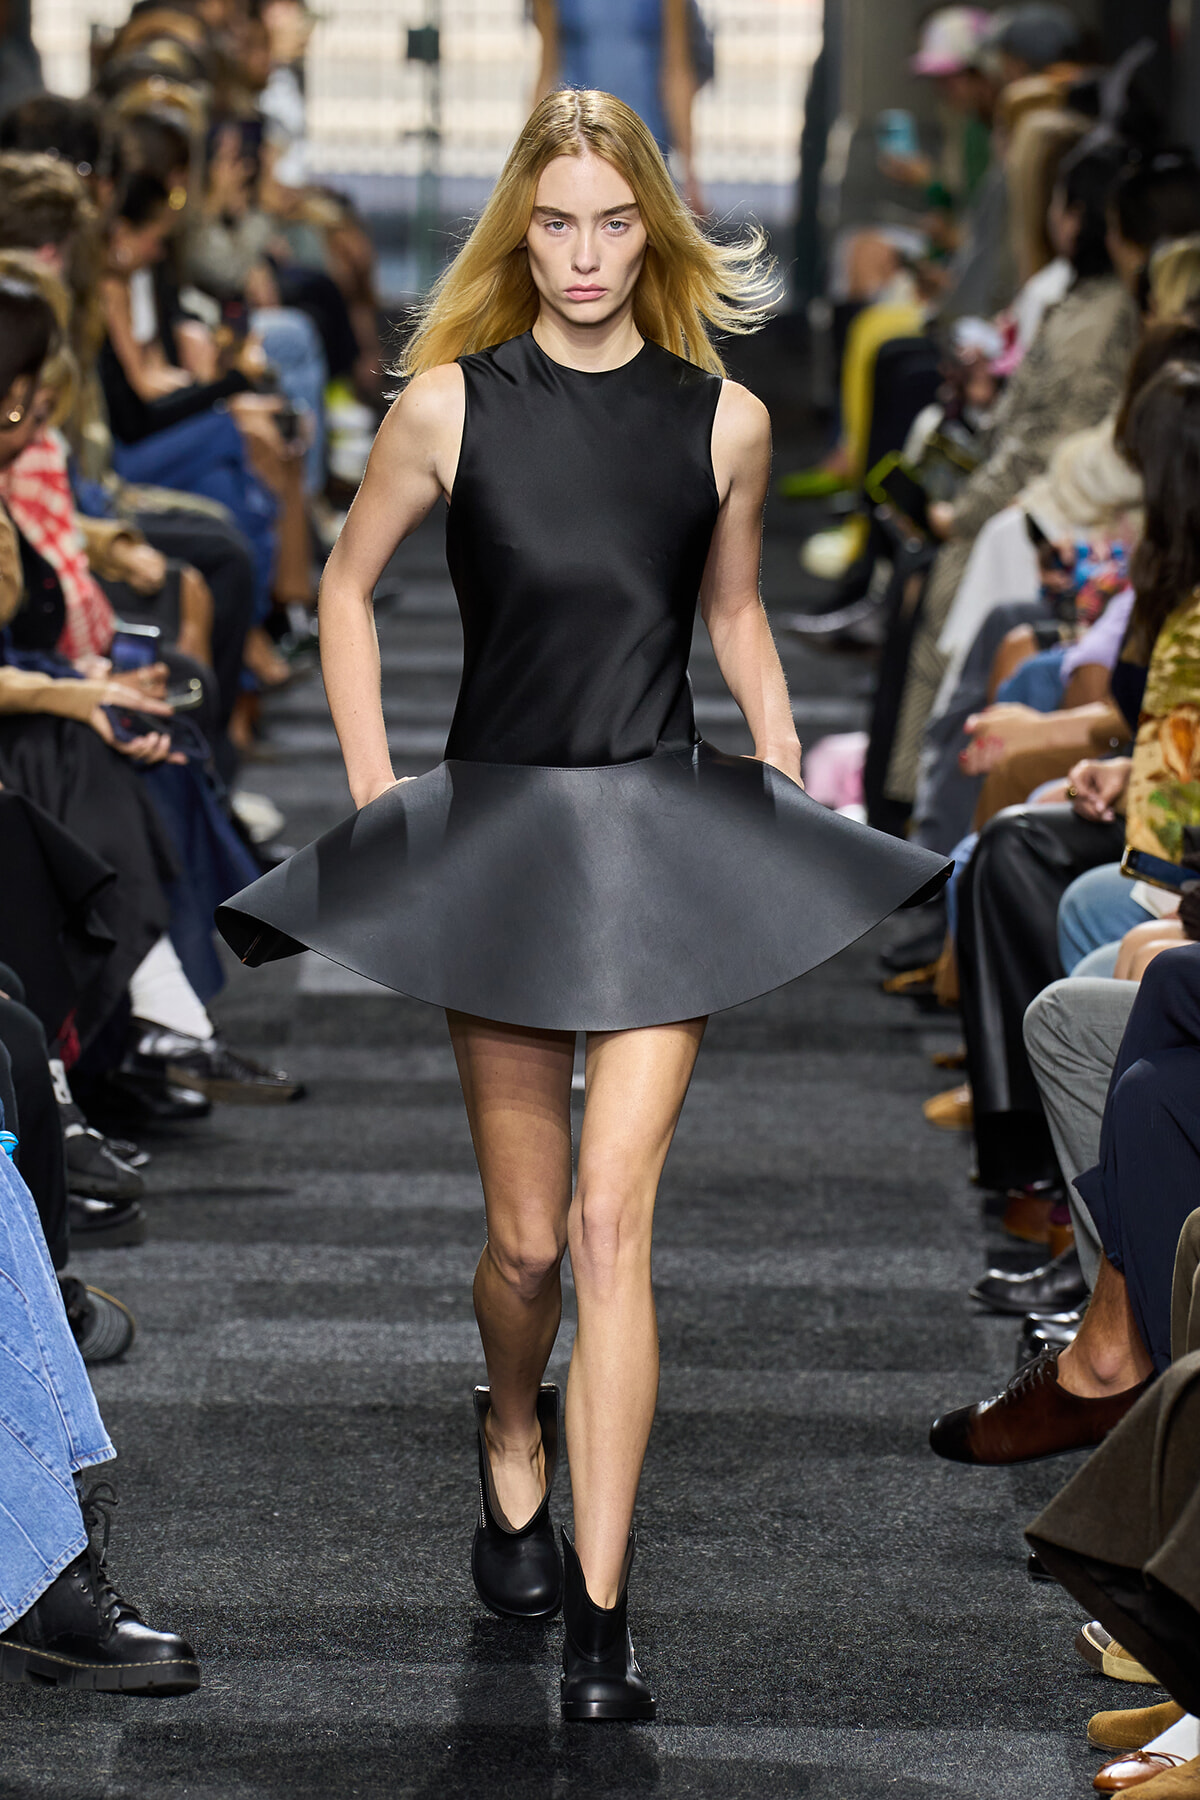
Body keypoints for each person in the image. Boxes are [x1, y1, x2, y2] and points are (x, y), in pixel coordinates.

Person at [214, 88, 947, 1719]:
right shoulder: (447, 408)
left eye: (616, 222)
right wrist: (376, 791)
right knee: (530, 1248)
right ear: (517, 228)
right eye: (557, 222)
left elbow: (739, 616)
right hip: (499, 840)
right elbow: (344, 590)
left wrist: (772, 755)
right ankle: (506, 1422)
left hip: (663, 846)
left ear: (656, 229)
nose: (588, 253)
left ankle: (605, 1627)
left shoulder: (724, 422)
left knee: (616, 1229)